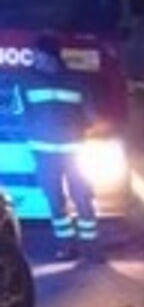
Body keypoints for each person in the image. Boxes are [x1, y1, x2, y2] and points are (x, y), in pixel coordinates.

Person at [20, 34, 98, 260]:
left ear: (49, 56)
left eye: (37, 55)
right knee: (56, 202)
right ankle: (67, 247)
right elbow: (90, 116)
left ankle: (90, 249)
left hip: (68, 152)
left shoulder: (75, 81)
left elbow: (21, 114)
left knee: (82, 198)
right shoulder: (28, 81)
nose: (33, 58)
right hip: (52, 153)